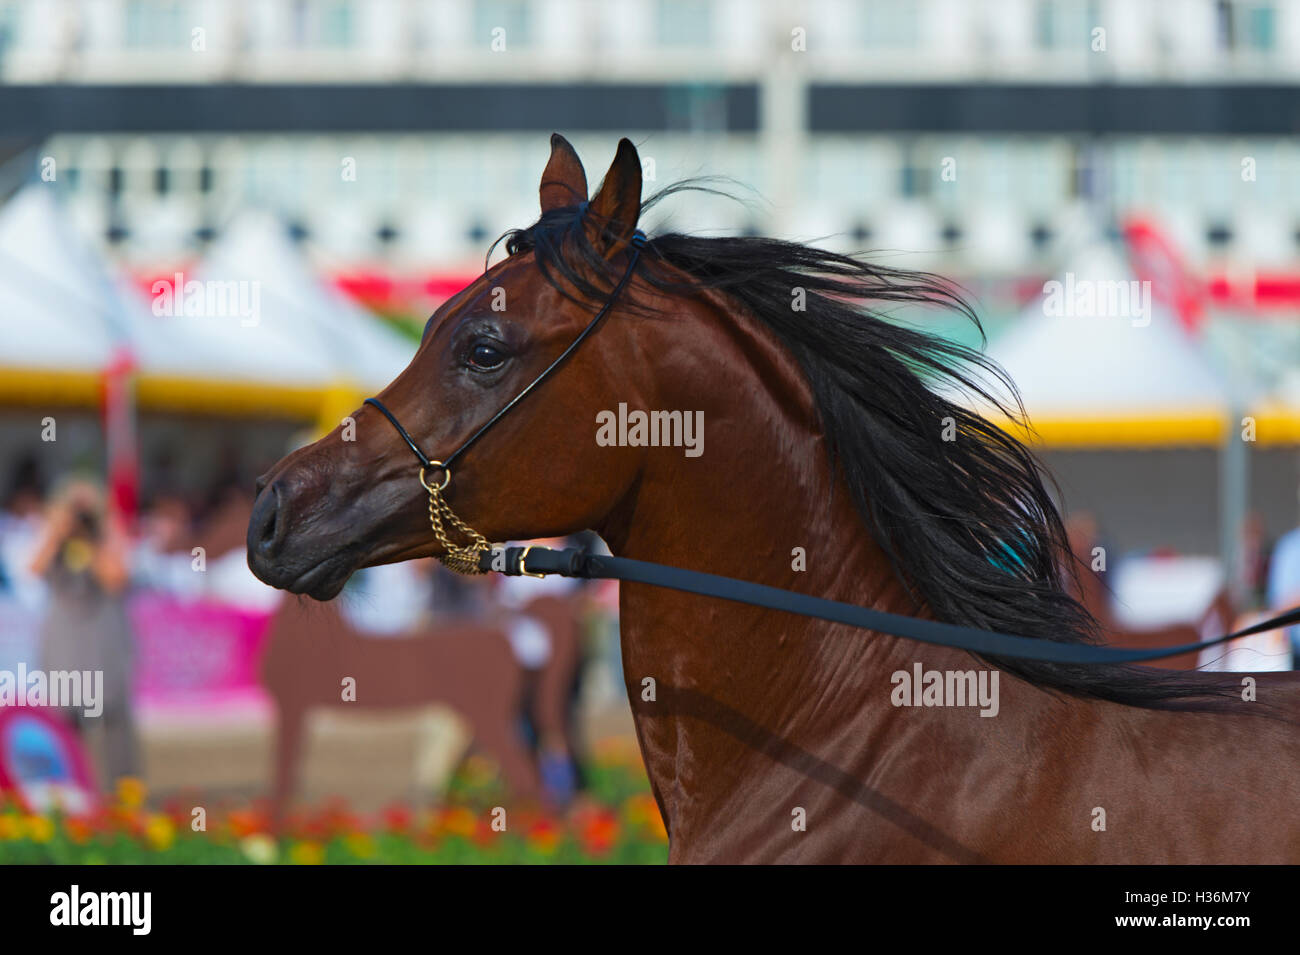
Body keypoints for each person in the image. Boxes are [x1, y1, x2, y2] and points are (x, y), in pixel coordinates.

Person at [27, 477, 139, 788]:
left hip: (102, 638)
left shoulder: (108, 533)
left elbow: (116, 578)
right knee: (65, 717)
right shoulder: (53, 535)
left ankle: (124, 791)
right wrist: (58, 532)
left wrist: (94, 538)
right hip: (66, 640)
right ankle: (72, 789)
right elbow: (33, 569)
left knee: (113, 717)